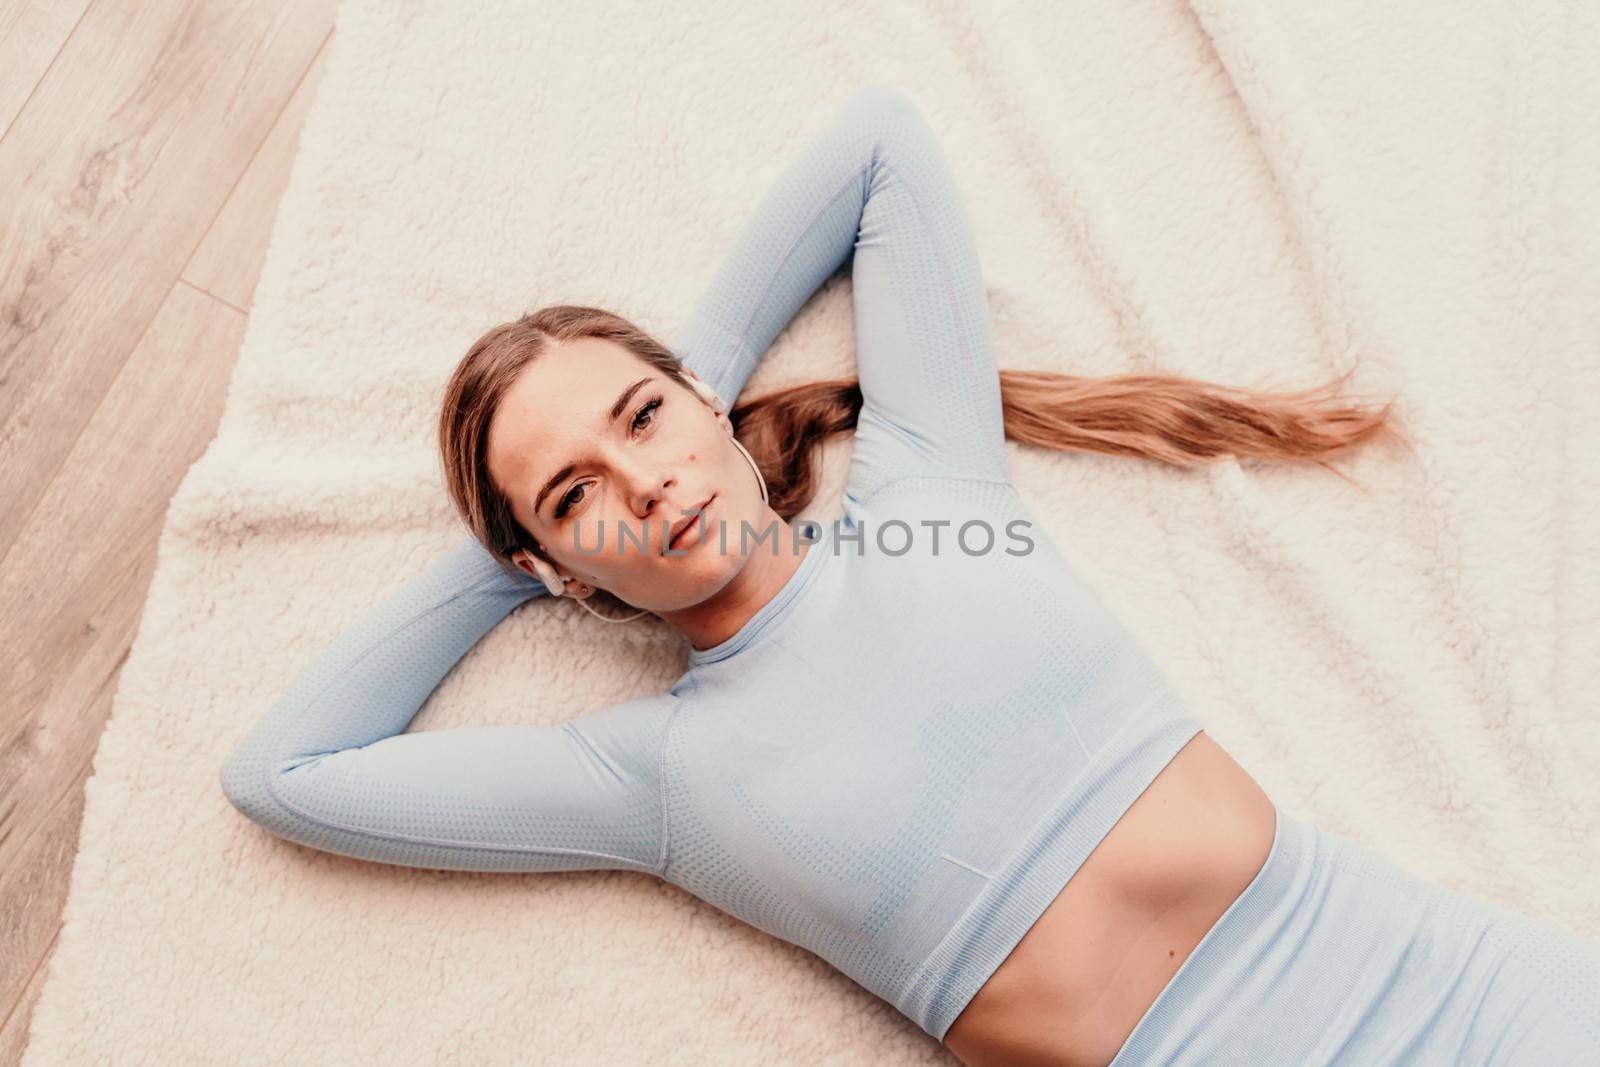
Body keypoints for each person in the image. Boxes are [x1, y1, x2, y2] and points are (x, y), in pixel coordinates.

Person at [220, 85, 1600, 1065]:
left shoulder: (932, 488)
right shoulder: (648, 780)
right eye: (576, 495)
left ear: (704, 403)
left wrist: (690, 382)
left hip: (1477, 1000)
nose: (640, 482)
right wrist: (511, 563)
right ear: (558, 574)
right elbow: (285, 774)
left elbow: (882, 141)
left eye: (640, 420)